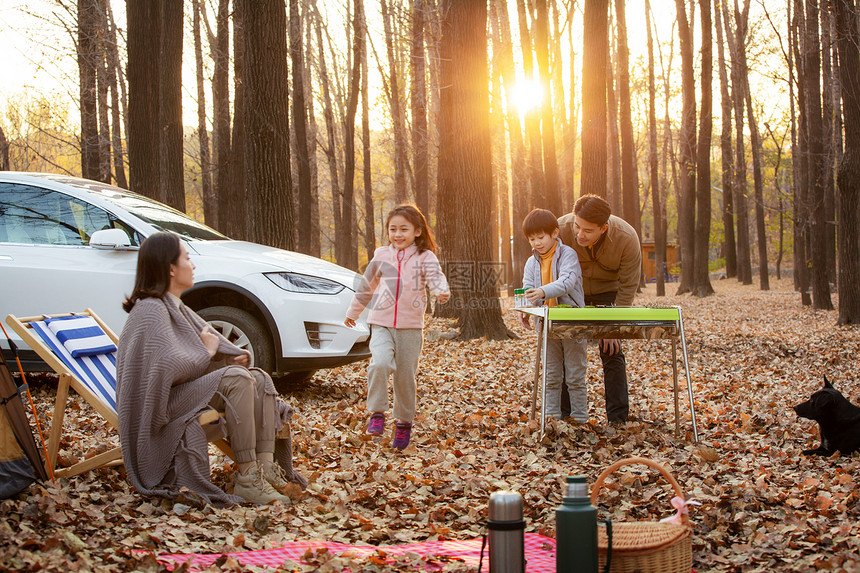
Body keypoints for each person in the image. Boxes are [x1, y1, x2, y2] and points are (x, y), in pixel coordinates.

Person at [116, 232, 305, 507]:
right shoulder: (150, 311)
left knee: (259, 378)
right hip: (162, 409)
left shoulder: (174, 306)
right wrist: (208, 352)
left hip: (182, 396)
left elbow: (190, 363)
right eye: (187, 259)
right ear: (170, 268)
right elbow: (165, 371)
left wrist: (227, 358)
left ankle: (265, 470)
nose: (193, 266)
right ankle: (248, 478)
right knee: (239, 378)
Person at [345, 205, 450, 450]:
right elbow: (366, 285)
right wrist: (353, 312)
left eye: (404, 229)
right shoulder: (381, 255)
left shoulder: (425, 257)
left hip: (410, 328)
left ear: (417, 231)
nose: (398, 234)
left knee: (405, 378)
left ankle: (403, 424)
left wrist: (440, 291)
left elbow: (435, 276)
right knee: (379, 364)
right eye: (393, 229)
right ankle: (377, 414)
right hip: (380, 323)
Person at [558, 195, 642, 423]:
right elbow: (543, 265)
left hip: (609, 294)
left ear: (604, 228)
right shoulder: (561, 229)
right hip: (574, 292)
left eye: (588, 230)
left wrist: (614, 326)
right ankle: (566, 416)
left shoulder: (626, 237)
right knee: (568, 350)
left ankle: (618, 418)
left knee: (612, 350)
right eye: (577, 226)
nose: (579, 234)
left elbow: (628, 286)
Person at [519, 209, 588, 423]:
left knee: (575, 374)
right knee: (550, 375)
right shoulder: (531, 262)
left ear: (554, 233)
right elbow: (528, 288)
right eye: (532, 239)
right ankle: (551, 420)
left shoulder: (568, 255)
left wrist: (543, 291)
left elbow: (567, 281)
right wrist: (525, 309)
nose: (537, 243)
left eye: (541, 237)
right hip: (547, 324)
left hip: (571, 322)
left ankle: (579, 419)